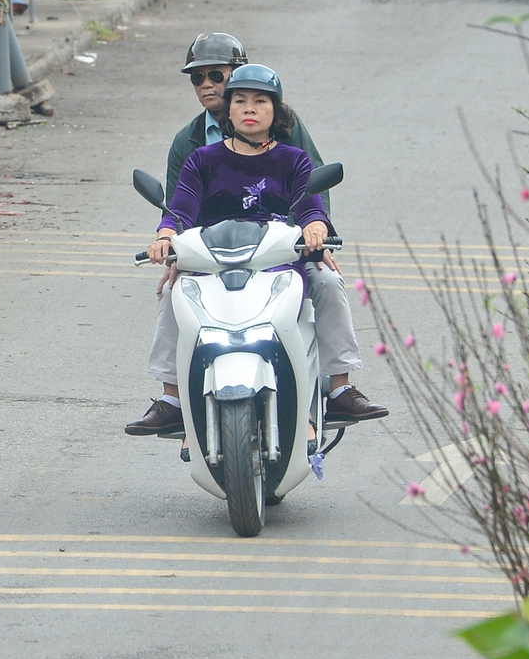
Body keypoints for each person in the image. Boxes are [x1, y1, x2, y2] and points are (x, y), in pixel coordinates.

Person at [126, 53, 387, 437]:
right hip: (214, 259)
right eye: (240, 101)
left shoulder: (293, 160)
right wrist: (165, 237)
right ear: (228, 111)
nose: (250, 109)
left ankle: (340, 387)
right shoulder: (201, 159)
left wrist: (316, 228)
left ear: (275, 112)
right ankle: (172, 398)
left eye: (260, 101)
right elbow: (180, 209)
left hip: (280, 257)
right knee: (171, 292)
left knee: (329, 282)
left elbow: (311, 204)